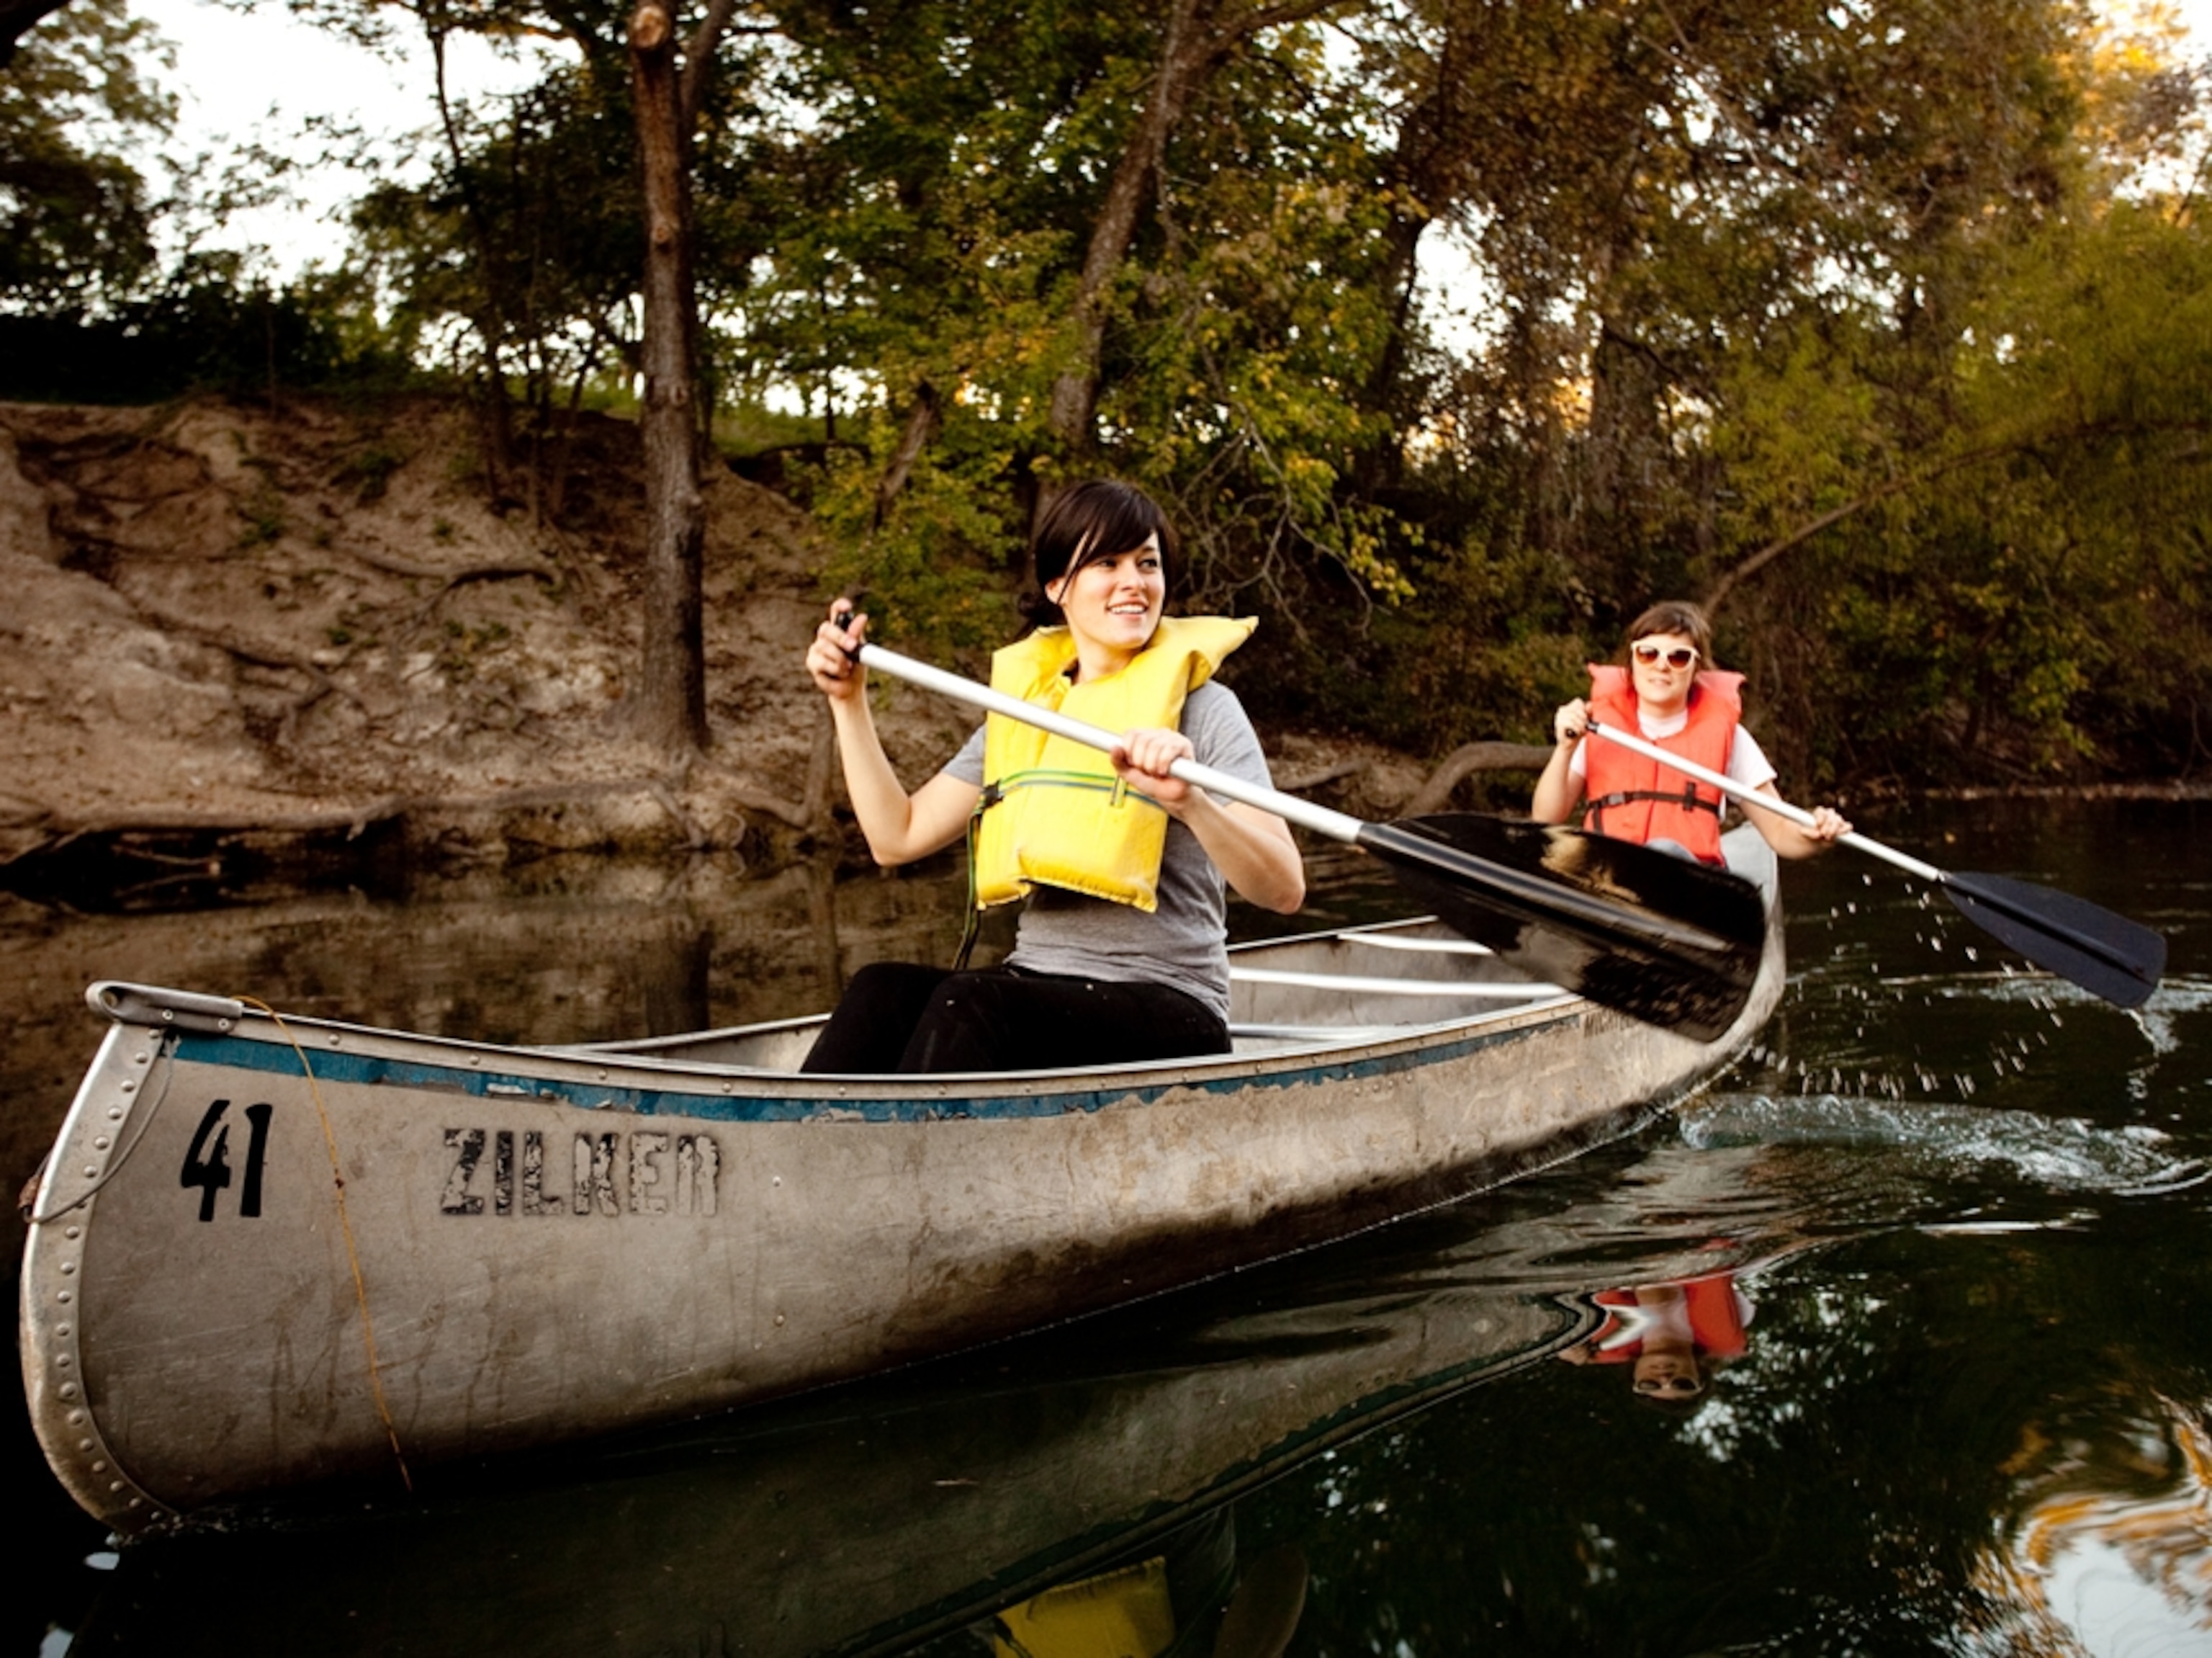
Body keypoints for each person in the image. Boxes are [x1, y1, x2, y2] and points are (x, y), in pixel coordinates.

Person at [799, 479, 1305, 1075]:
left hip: (1172, 1004)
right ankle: (807, 1157)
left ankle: (907, 1163)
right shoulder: (1030, 716)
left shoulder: (1206, 709)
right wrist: (848, 703)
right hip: (1039, 984)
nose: (1134, 583)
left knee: (969, 1002)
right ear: (1058, 587)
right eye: (1106, 563)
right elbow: (897, 837)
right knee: (881, 989)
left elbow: (1284, 890)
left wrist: (1192, 803)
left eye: (1148, 563)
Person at [1531, 599, 1851, 865]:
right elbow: (1545, 818)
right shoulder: (1594, 728)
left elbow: (1781, 833)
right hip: (1608, 881)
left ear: (1696, 669)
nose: (1662, 666)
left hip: (1690, 892)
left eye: (1679, 657)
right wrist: (1565, 749)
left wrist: (1815, 834)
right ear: (1633, 660)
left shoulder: (1731, 738)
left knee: (1664, 853)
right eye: (1648, 653)